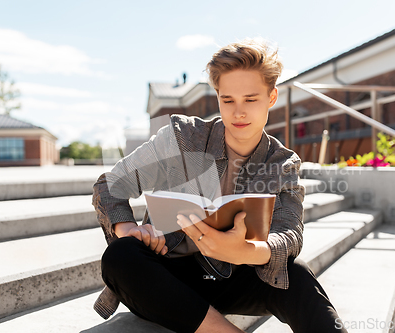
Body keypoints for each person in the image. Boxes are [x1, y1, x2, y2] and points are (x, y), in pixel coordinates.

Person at [92, 38, 347, 333]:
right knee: (121, 254)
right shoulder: (183, 137)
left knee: (297, 276)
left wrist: (247, 252)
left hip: (235, 273)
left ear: (271, 97)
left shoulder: (281, 163)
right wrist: (130, 230)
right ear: (218, 97)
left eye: (251, 100)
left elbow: (290, 233)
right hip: (167, 277)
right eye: (228, 100)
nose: (238, 112)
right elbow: (109, 186)